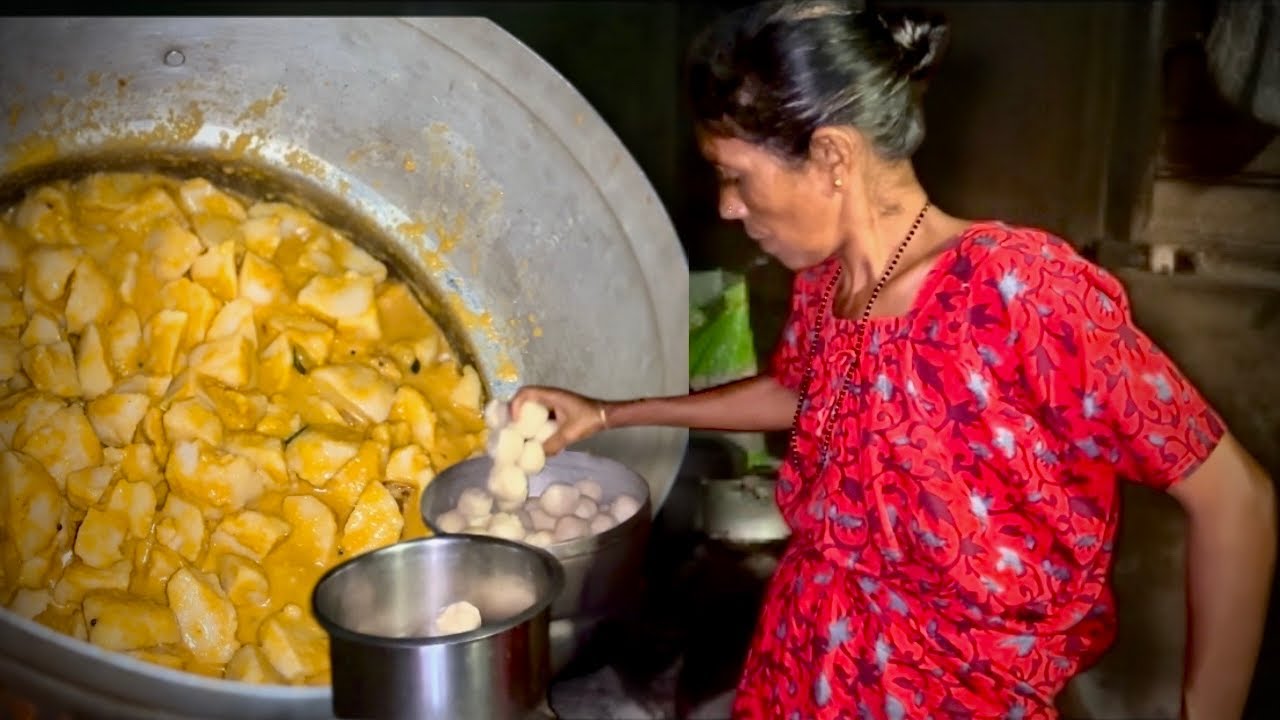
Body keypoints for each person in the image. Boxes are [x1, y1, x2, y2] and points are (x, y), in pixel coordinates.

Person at [513, 1, 1277, 717]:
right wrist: (610, 413)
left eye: (735, 176)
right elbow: (802, 392)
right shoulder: (828, 281)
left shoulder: (1019, 293)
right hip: (801, 663)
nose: (727, 208)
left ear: (833, 157)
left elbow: (1236, 499)